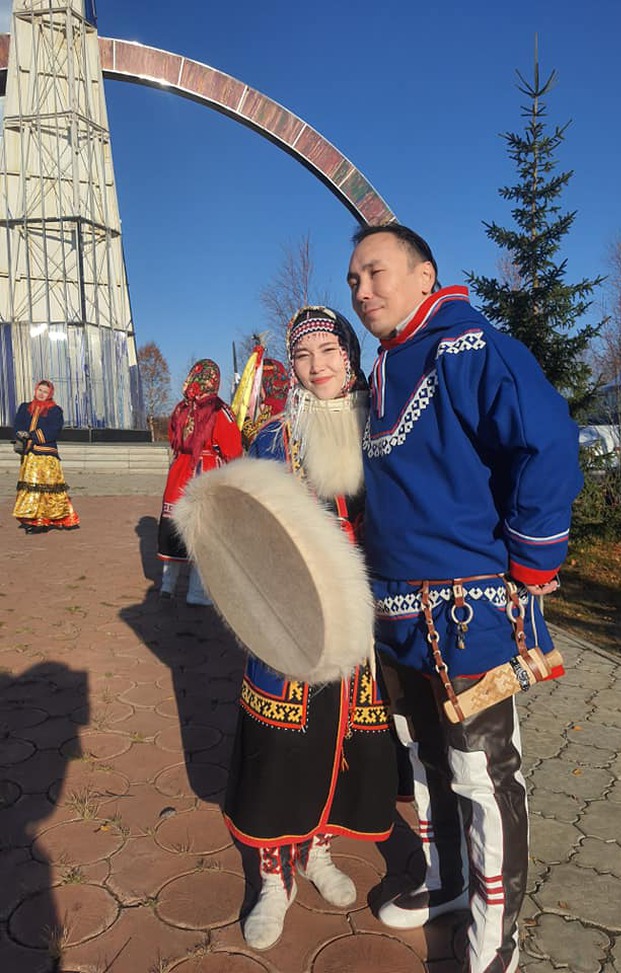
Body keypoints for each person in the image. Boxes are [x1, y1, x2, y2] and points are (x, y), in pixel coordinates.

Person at [346, 224, 583, 973]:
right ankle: (448, 883)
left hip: (467, 616)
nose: (362, 291)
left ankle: (495, 935)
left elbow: (546, 440)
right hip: (398, 616)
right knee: (424, 761)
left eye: (375, 272)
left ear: (425, 276)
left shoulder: (466, 347)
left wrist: (534, 560)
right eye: (352, 280)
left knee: (482, 775)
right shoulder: (386, 364)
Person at [223, 306, 398, 952]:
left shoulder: (380, 429)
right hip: (290, 621)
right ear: (291, 367)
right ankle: (275, 875)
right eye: (304, 355)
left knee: (342, 740)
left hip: (361, 625)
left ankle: (318, 850)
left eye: (329, 351)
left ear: (349, 359)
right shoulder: (274, 437)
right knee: (282, 747)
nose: (318, 364)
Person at [157, 359, 242, 604]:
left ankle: (167, 585)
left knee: (174, 527)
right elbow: (231, 447)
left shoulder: (181, 408)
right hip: (205, 471)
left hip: (180, 471)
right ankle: (196, 593)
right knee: (202, 534)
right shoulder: (219, 410)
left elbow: (174, 438)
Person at [13, 380, 80, 533]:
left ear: (50, 394)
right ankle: (34, 518)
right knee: (31, 489)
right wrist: (20, 434)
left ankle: (47, 520)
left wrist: (31, 436)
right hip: (30, 456)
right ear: (35, 390)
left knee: (48, 489)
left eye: (45, 391)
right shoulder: (25, 407)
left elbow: (54, 429)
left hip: (47, 455)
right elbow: (18, 424)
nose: (41, 394)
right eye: (40, 390)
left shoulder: (55, 410)